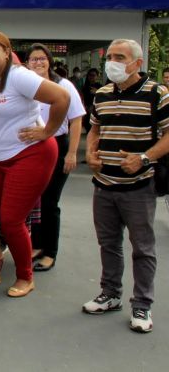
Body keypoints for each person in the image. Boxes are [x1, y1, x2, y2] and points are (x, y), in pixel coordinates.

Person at [0, 30, 69, 298]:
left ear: (6, 52)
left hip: (32, 153)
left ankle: (25, 277)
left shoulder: (20, 76)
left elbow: (61, 98)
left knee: (11, 220)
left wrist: (47, 132)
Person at [83, 39, 169, 333]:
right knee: (108, 243)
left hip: (138, 185)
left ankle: (142, 304)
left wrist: (145, 158)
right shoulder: (103, 94)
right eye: (110, 57)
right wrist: (91, 152)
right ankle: (110, 293)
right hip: (104, 183)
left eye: (120, 57)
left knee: (143, 247)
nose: (113, 62)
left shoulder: (157, 93)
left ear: (137, 63)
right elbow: (94, 128)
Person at [26, 44, 85, 272]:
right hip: (31, 148)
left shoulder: (63, 85)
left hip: (57, 146)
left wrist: (71, 153)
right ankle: (37, 245)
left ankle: (50, 252)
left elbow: (77, 119)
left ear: (49, 61)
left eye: (42, 59)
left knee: (50, 202)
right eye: (33, 59)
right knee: (35, 201)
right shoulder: (25, 85)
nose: (38, 63)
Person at [81, 68, 103, 133]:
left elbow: (103, 97)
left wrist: (97, 92)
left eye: (93, 75)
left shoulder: (100, 86)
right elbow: (83, 98)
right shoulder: (85, 87)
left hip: (96, 108)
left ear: (97, 76)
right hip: (87, 108)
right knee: (87, 124)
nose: (91, 77)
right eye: (90, 75)